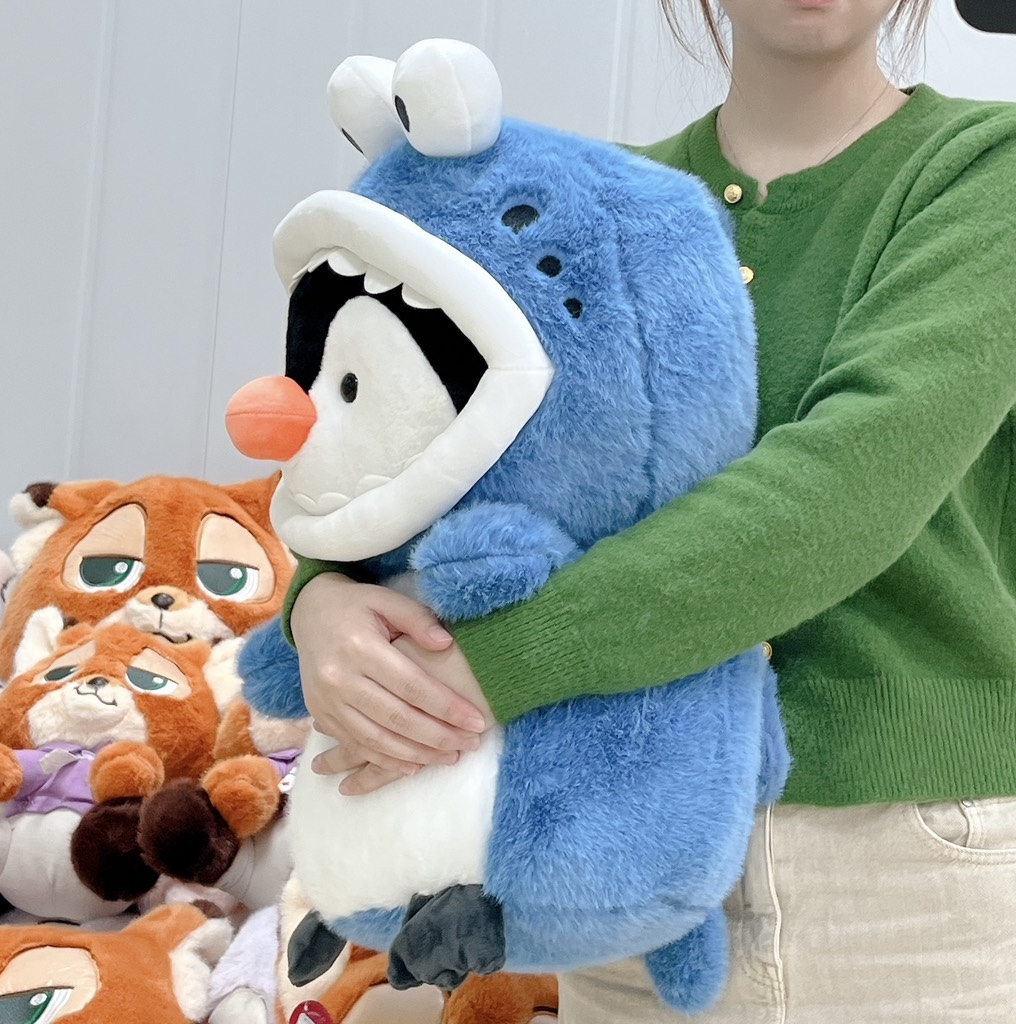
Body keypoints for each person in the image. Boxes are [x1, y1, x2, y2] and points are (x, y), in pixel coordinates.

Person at [287, 0, 1016, 1019]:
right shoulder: (583, 200)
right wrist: (319, 600)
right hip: (610, 863)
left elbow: (849, 484)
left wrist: (490, 663)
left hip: (902, 868)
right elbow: (414, 432)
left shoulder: (985, 172)